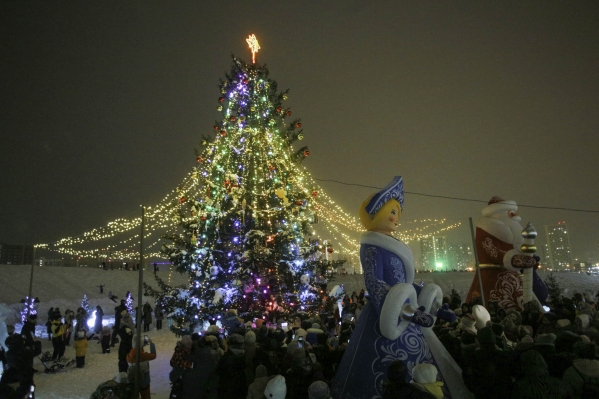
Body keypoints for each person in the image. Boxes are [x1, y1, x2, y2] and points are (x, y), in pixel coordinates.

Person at [330, 176, 472, 399]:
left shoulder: (393, 245)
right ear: (375, 214)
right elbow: (375, 284)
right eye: (392, 212)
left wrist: (434, 306)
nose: (397, 218)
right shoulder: (372, 248)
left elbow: (405, 284)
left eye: (398, 213)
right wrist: (409, 313)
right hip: (385, 316)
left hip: (405, 313)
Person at [465, 197, 548, 310]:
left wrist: (527, 260)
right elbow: (493, 252)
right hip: (492, 277)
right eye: (510, 213)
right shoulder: (486, 230)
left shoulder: (510, 234)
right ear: (499, 213)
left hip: (514, 276)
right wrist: (514, 259)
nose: (515, 216)